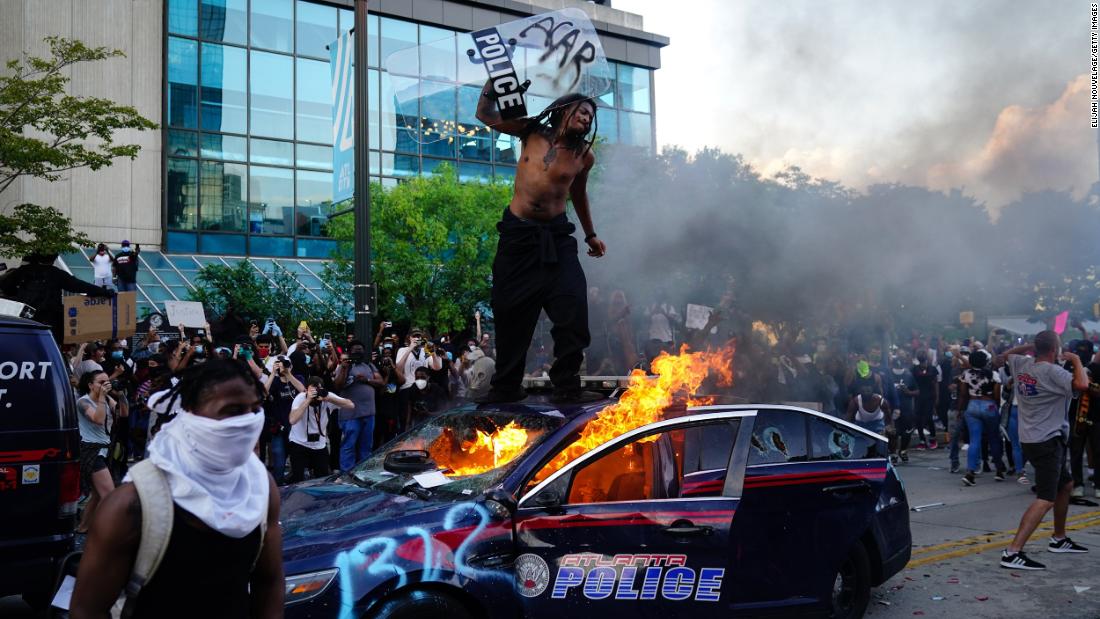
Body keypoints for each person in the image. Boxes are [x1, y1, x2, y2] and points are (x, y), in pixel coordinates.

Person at [70, 359, 284, 617]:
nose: (247, 422)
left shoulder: (259, 487)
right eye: (232, 410)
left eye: (254, 409)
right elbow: (86, 611)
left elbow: (269, 581)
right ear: (192, 411)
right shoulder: (131, 504)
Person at [475, 85, 606, 404]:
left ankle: (567, 385)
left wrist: (590, 234)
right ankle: (506, 386)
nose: (587, 118)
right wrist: (493, 88)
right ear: (564, 110)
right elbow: (484, 115)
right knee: (510, 311)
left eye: (591, 116)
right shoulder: (531, 131)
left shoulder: (583, 156)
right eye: (582, 111)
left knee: (573, 303)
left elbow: (578, 194)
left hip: (558, 237)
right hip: (518, 238)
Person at [997, 330, 1090, 570]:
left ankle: (1058, 538)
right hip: (1047, 439)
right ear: (1054, 350)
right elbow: (1082, 384)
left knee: (1065, 485)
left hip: (1031, 438)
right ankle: (1012, 552)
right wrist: (1077, 361)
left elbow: (1004, 355)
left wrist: (1029, 347)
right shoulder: (1053, 372)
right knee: (1046, 498)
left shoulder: (1022, 364)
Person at [0, 252, 114, 342]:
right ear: (54, 259)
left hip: (22, 319)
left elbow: (6, 287)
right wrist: (103, 292)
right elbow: (79, 286)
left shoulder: (22, 271)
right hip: (49, 322)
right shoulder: (57, 274)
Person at [75, 370, 127, 534]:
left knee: (97, 495)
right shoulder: (83, 402)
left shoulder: (108, 398)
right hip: (90, 451)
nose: (105, 385)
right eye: (100, 382)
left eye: (107, 381)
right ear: (90, 385)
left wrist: (121, 395)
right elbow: (97, 419)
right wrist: (102, 398)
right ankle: (111, 533)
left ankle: (83, 527)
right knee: (109, 495)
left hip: (104, 450)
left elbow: (124, 414)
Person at [288, 377, 353, 482]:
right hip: (299, 442)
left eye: (317, 390)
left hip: (319, 445)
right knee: (297, 478)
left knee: (322, 478)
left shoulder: (326, 396)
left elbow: (351, 405)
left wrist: (329, 398)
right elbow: (292, 420)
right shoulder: (301, 398)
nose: (315, 394)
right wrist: (308, 400)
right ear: (306, 390)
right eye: (312, 390)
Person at [333, 342, 384, 471]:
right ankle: (346, 474)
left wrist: (366, 380)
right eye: (355, 350)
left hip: (369, 413)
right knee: (348, 445)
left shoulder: (369, 365)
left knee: (366, 446)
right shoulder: (343, 366)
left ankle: (363, 473)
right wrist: (345, 368)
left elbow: (381, 382)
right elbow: (337, 385)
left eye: (361, 350)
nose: (358, 352)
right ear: (350, 352)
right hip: (350, 415)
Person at [957, 350, 1004, 486]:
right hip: (989, 405)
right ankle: (999, 470)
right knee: (994, 438)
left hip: (972, 405)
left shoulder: (966, 374)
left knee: (974, 440)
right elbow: (997, 395)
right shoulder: (993, 374)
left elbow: (963, 394)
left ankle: (970, 472)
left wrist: (960, 410)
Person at [261, 356, 304, 485]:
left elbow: (303, 390)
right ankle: (278, 486)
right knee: (279, 461)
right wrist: (273, 373)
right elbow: (263, 393)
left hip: (296, 427)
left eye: (286, 364)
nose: (284, 366)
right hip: (279, 427)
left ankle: (295, 484)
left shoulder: (298, 378)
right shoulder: (274, 381)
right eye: (280, 364)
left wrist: (288, 374)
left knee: (296, 461)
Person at [911, 350, 940, 450]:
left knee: (928, 417)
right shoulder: (914, 369)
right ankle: (922, 440)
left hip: (929, 396)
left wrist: (937, 397)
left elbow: (936, 383)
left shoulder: (932, 369)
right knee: (918, 418)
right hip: (918, 396)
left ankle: (933, 438)